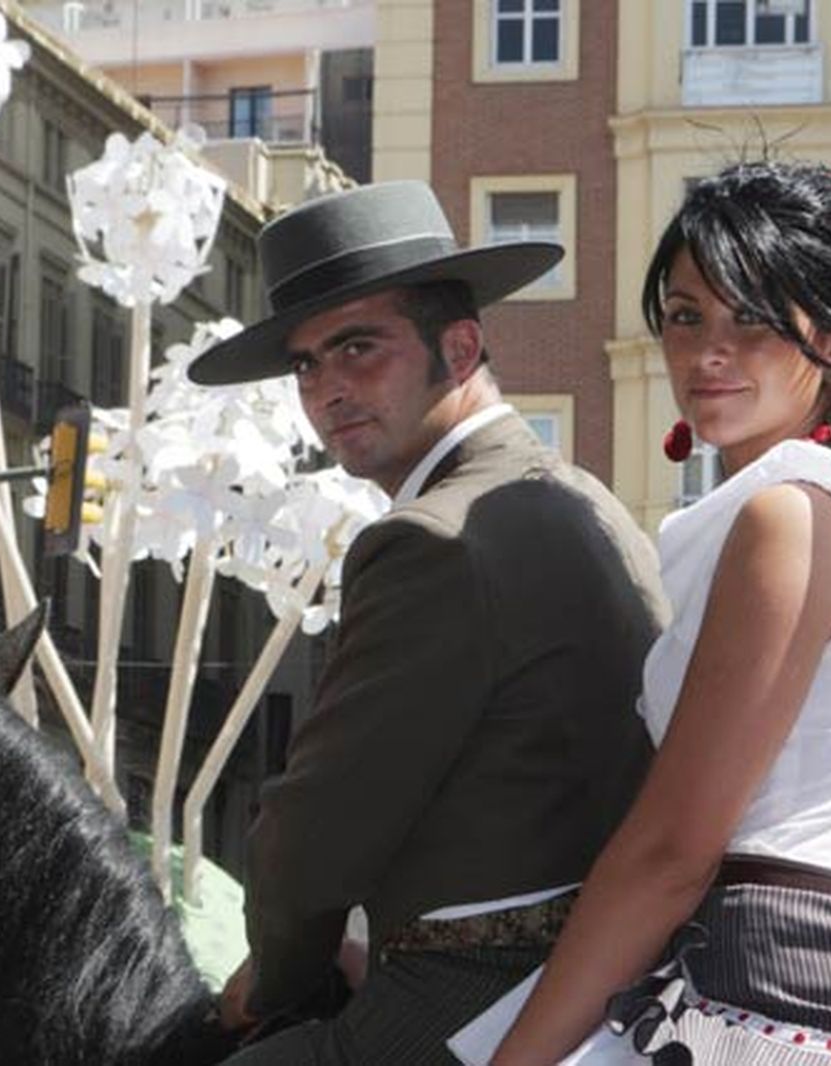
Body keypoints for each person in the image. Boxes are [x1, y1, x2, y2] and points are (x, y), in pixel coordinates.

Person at [476, 156, 831, 1066]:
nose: (706, 351)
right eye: (683, 315)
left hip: (810, 998)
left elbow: (675, 849)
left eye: (751, 317)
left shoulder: (790, 516)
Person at [186, 181, 668, 1063]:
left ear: (461, 345)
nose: (328, 390)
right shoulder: (583, 499)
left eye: (358, 348)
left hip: (483, 994)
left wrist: (268, 982)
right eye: (305, 365)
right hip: (602, 978)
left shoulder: (429, 539)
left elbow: (314, 834)